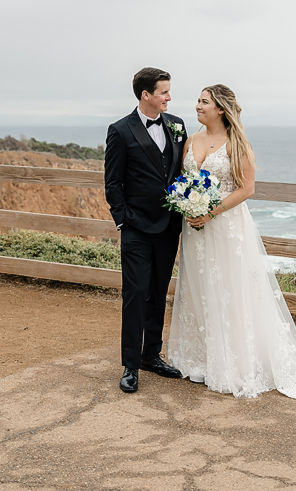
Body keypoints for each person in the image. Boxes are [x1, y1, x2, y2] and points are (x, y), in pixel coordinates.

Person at [167, 84, 296, 400]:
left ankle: (236, 363)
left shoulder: (237, 144)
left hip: (225, 227)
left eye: (204, 102)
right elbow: (184, 182)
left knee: (230, 290)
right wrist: (187, 204)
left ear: (220, 108)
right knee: (200, 288)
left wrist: (210, 211)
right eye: (198, 101)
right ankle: (202, 358)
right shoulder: (192, 140)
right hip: (194, 229)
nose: (198, 106)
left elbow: (247, 189)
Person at [105, 67, 189, 393]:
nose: (169, 97)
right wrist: (124, 219)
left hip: (169, 226)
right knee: (135, 293)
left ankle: (151, 355)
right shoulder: (120, 130)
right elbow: (113, 182)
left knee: (158, 292)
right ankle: (130, 364)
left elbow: (182, 168)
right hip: (137, 227)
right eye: (164, 92)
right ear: (146, 95)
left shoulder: (177, 125)